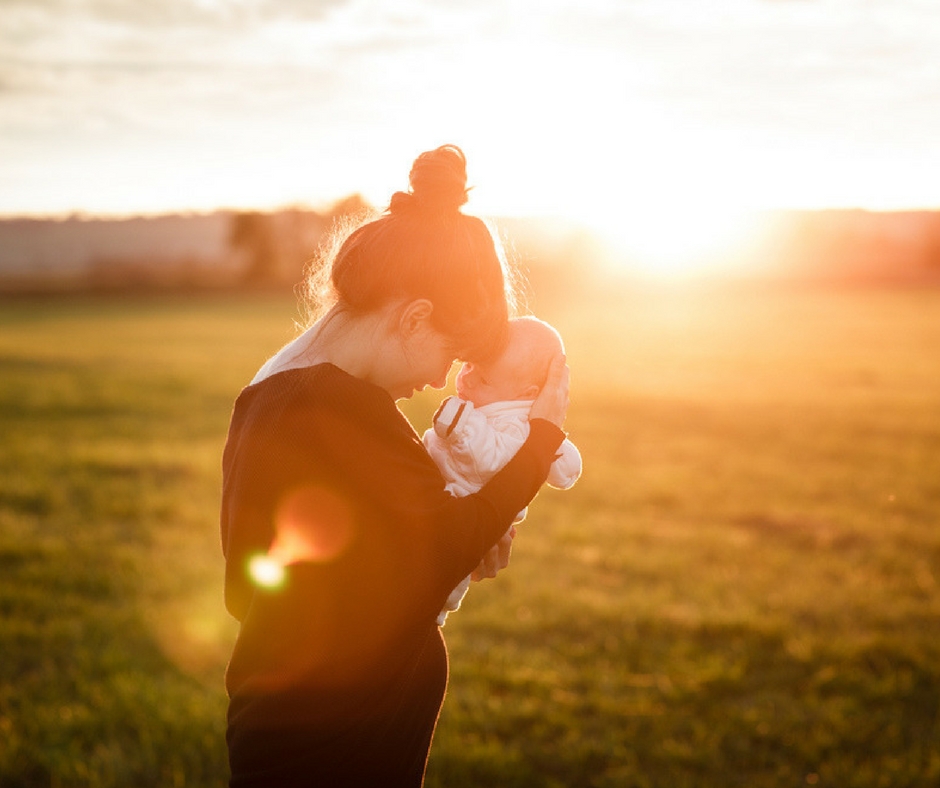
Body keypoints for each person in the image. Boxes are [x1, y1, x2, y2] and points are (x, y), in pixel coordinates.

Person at [219, 144, 570, 787]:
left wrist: (428, 557)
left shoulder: (273, 391)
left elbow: (255, 589)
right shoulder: (335, 406)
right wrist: (542, 437)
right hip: (333, 752)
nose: (445, 378)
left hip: (304, 740)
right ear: (413, 318)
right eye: (452, 354)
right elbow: (444, 543)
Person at [423, 316, 582, 625]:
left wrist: (461, 425)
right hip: (447, 512)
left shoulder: (513, 427)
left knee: (428, 597)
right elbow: (560, 464)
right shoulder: (507, 412)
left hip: (461, 518)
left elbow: (489, 460)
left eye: (481, 379)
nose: (466, 379)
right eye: (468, 365)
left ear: (526, 393)